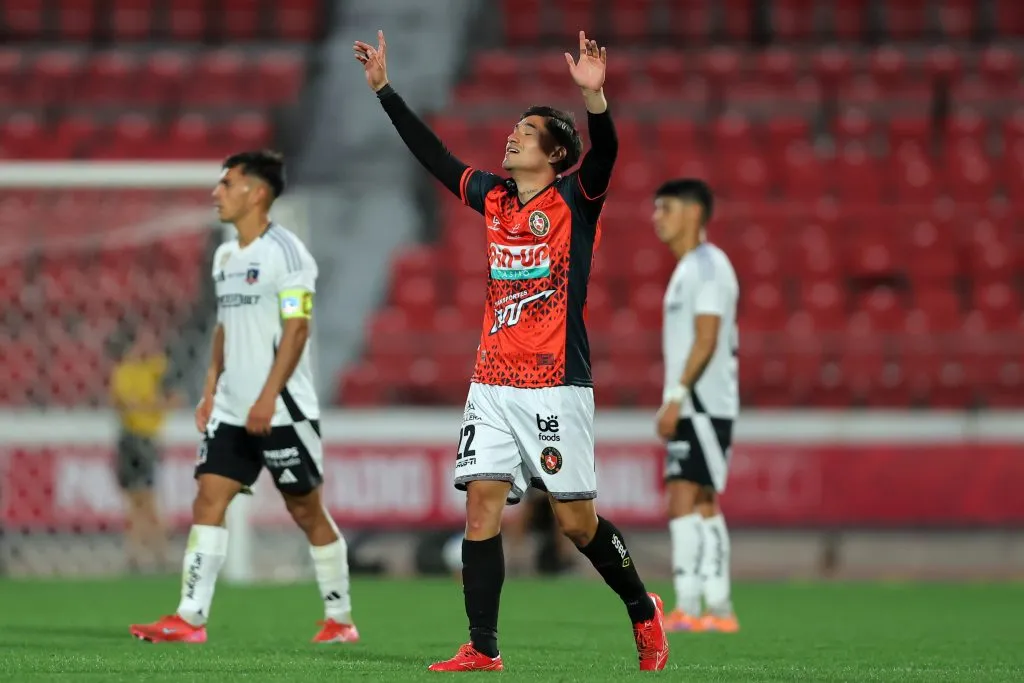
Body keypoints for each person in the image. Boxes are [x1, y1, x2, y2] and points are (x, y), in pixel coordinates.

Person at [355, 30, 668, 672]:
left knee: (578, 525)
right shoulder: (495, 198)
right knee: (480, 508)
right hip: (492, 383)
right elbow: (437, 159)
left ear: (554, 153)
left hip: (555, 385)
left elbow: (605, 149)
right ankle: (482, 646)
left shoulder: (577, 201)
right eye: (515, 129)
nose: (512, 137)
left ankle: (641, 607)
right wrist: (386, 91)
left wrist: (594, 97)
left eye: (526, 133)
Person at [129, 150, 358, 644]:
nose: (217, 192)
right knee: (209, 497)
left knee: (305, 510)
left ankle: (340, 618)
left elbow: (297, 332)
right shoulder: (225, 255)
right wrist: (211, 390)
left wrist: (266, 397)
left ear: (256, 192)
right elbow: (223, 329)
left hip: (281, 410)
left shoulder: (288, 253)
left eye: (227, 184)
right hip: (232, 408)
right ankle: (190, 619)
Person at [652, 179, 741, 633]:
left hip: (702, 405)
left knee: (684, 497)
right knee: (703, 501)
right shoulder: (692, 267)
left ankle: (689, 605)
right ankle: (718, 607)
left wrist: (675, 398)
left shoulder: (707, 267)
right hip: (701, 403)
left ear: (692, 212)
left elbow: (707, 338)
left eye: (665, 208)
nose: (656, 218)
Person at [109, 325, 181, 573]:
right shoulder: (125, 372)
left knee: (146, 499)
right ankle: (145, 554)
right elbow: (127, 405)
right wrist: (155, 405)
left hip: (146, 439)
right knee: (138, 500)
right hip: (132, 440)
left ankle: (149, 554)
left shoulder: (153, 369)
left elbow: (172, 397)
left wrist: (151, 405)